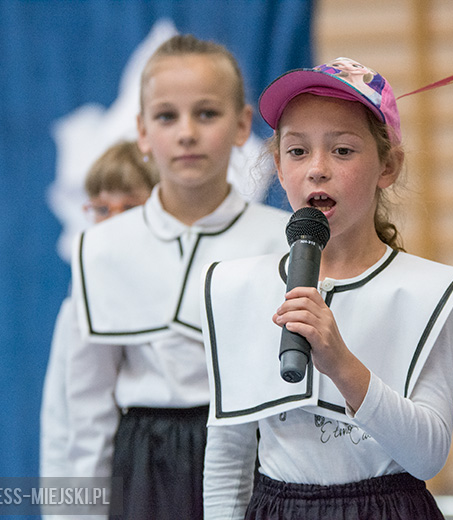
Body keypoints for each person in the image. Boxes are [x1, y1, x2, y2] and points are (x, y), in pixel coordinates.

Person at [201, 58, 453, 519]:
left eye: (343, 151)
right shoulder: (238, 287)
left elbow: (429, 454)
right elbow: (228, 457)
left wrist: (342, 364)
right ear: (277, 164)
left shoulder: (428, 292)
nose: (317, 169)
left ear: (387, 166)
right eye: (297, 151)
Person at [63, 35, 290, 519]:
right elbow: (86, 413)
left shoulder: (282, 242)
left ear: (241, 125)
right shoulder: (101, 248)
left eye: (207, 114)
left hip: (257, 458)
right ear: (142, 132)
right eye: (167, 116)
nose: (187, 132)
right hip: (141, 465)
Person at [40, 140, 158, 483]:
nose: (113, 223)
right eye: (102, 209)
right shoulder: (80, 301)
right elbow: (61, 424)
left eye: (130, 207)